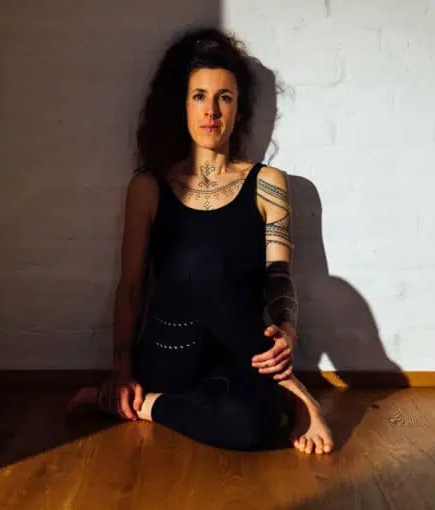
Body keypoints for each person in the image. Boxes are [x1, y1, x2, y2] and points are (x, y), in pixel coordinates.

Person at [68, 28, 333, 454]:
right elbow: (132, 285)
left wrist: (287, 332)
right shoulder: (148, 187)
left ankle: (138, 406)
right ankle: (293, 392)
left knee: (250, 429)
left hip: (242, 358)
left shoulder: (267, 183)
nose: (211, 110)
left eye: (224, 97)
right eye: (199, 96)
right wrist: (121, 368)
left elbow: (279, 275)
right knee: (203, 260)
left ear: (238, 108)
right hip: (171, 350)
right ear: (183, 105)